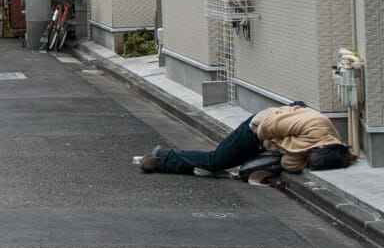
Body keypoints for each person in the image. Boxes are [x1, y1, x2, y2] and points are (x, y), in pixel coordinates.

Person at [139, 104, 353, 176]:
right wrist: (263, 146)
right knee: (215, 162)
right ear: (322, 146)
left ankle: (164, 159)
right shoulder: (316, 125)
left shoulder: (328, 148)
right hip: (256, 129)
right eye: (312, 156)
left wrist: (289, 151)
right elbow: (269, 127)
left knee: (216, 163)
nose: (308, 157)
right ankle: (163, 158)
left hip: (266, 142)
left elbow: (289, 164)